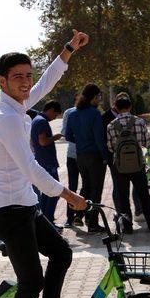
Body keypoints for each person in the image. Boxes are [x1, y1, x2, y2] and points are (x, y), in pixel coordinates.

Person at [0, 30, 89, 298]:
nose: (27, 83)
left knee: (62, 254)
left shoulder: (17, 105)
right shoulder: (4, 117)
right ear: (2, 82)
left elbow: (45, 83)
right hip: (6, 214)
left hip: (25, 207)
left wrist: (68, 50)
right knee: (31, 280)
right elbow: (31, 169)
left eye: (28, 76)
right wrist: (68, 195)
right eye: (18, 78)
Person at [106, 94, 150, 233]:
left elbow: (111, 148)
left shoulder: (111, 125)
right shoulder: (139, 122)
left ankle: (127, 228)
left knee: (123, 197)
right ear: (130, 107)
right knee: (143, 195)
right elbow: (145, 143)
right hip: (138, 165)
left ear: (116, 107)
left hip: (120, 166)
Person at [65, 83, 108, 233]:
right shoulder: (95, 113)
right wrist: (105, 156)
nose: (99, 100)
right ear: (94, 97)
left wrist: (82, 141)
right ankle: (93, 224)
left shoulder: (73, 114)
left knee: (85, 186)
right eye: (99, 97)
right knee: (96, 190)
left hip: (80, 156)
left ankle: (79, 213)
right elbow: (99, 138)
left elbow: (68, 135)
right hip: (95, 156)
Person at [102, 93, 143, 222]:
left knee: (132, 188)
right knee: (120, 190)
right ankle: (121, 214)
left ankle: (135, 213)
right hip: (121, 162)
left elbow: (109, 146)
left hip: (120, 160)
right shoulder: (106, 118)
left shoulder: (112, 124)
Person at [31, 100, 63, 226]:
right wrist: (55, 137)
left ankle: (44, 220)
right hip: (47, 163)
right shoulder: (42, 121)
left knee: (46, 193)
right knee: (54, 192)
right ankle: (48, 221)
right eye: (55, 115)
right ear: (50, 110)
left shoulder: (36, 119)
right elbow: (43, 141)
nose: (54, 118)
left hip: (42, 161)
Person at [61, 94, 84, 228]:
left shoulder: (89, 111)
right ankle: (69, 218)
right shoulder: (69, 112)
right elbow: (64, 131)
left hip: (85, 155)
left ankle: (80, 215)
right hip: (72, 154)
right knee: (72, 186)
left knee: (86, 186)